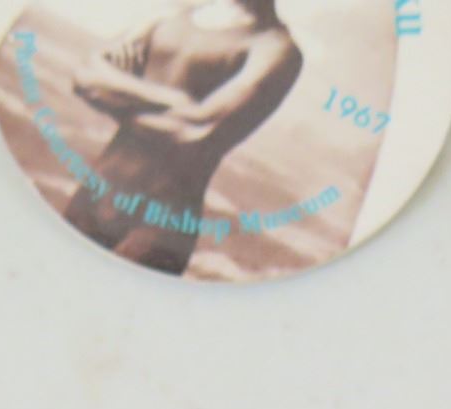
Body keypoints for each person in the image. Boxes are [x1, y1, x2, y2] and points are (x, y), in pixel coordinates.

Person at [63, 0, 303, 274]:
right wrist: (171, 98)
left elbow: (196, 132)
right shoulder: (168, 14)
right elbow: (84, 77)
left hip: (162, 224)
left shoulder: (275, 49)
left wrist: (113, 95)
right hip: (95, 196)